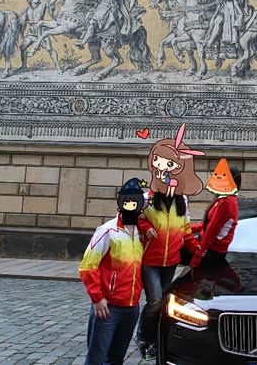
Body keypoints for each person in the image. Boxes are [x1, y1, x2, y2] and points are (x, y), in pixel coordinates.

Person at [135, 126, 205, 358]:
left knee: (164, 302)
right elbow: (135, 219)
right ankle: (143, 335)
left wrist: (198, 251)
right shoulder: (147, 198)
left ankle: (155, 340)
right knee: (155, 301)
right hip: (150, 260)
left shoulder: (182, 201)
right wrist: (146, 228)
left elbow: (185, 231)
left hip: (171, 261)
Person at [79, 178, 146, 365]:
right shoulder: (107, 230)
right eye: (128, 201)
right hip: (108, 308)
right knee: (96, 359)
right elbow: (87, 266)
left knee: (116, 359)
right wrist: (97, 299)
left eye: (136, 201)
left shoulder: (142, 233)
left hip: (132, 307)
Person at [191, 159, 241, 264]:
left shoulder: (227, 201)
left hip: (212, 251)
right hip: (210, 247)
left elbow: (212, 229)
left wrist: (198, 255)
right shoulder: (223, 199)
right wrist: (187, 229)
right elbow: (208, 224)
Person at [16, 0, 62, 74]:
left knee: (49, 49)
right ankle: (24, 66)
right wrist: (21, 33)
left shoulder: (42, 4)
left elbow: (51, 1)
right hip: (32, 33)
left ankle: (58, 67)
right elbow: (22, 22)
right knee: (22, 47)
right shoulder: (27, 10)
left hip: (41, 31)